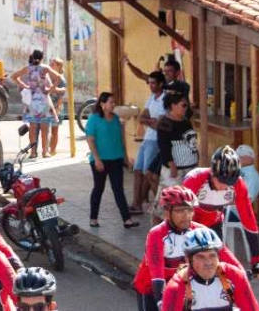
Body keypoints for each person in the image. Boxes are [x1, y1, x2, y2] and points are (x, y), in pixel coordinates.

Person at [132, 186, 245, 311]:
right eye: (180, 211)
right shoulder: (156, 234)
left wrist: (241, 273)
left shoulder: (200, 230)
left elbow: (223, 253)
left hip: (182, 286)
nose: (186, 216)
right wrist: (160, 300)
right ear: (167, 212)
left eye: (189, 210)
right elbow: (156, 271)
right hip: (152, 288)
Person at [181, 146, 259, 274]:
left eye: (229, 182)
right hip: (189, 222)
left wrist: (257, 258)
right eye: (221, 181)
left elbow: (248, 219)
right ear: (212, 173)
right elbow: (180, 218)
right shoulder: (194, 179)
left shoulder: (239, 184)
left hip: (214, 223)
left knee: (216, 269)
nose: (224, 186)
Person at [160, 229, 259, 311]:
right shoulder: (176, 286)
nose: (208, 262)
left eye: (212, 256)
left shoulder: (233, 275)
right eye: (200, 257)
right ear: (187, 259)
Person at [84, 91, 137, 229]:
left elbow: (120, 140)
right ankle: (93, 218)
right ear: (102, 104)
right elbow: (90, 139)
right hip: (100, 160)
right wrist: (97, 159)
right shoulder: (93, 119)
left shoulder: (115, 119)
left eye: (114, 102)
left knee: (118, 189)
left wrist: (125, 158)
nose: (113, 105)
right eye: (111, 102)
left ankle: (127, 220)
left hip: (116, 159)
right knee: (99, 188)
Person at [10, 50, 63, 159]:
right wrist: (50, 90)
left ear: (33, 57)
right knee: (45, 129)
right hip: (44, 100)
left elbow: (14, 77)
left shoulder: (28, 68)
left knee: (33, 130)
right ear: (42, 57)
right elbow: (59, 78)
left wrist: (25, 86)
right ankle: (45, 152)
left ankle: (33, 153)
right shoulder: (45, 68)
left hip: (33, 102)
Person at [152, 93, 197, 220]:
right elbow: (164, 147)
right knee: (167, 201)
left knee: (186, 200)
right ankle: (159, 228)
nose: (185, 108)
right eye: (183, 105)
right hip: (175, 169)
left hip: (190, 167)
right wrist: (172, 165)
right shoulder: (165, 124)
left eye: (186, 105)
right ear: (173, 105)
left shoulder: (185, 122)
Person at [129, 70, 167, 215]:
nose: (150, 85)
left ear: (160, 84)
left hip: (156, 141)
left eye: (153, 83)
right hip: (147, 139)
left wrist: (148, 121)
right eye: (149, 83)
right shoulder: (151, 97)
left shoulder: (165, 99)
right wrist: (151, 120)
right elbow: (142, 117)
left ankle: (148, 204)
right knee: (137, 170)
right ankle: (135, 203)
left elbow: (159, 125)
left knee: (147, 173)